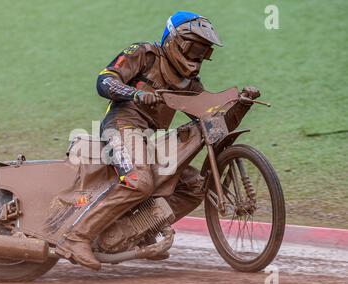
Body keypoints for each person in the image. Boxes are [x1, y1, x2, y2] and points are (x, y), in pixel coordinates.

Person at [55, 11, 259, 270]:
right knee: (139, 181)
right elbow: (104, 80)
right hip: (121, 126)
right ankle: (76, 237)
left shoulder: (190, 84)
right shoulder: (145, 54)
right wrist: (135, 95)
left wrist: (241, 106)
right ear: (174, 40)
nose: (196, 57)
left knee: (196, 186)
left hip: (147, 139)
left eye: (203, 52)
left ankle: (136, 231)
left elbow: (212, 123)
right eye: (193, 47)